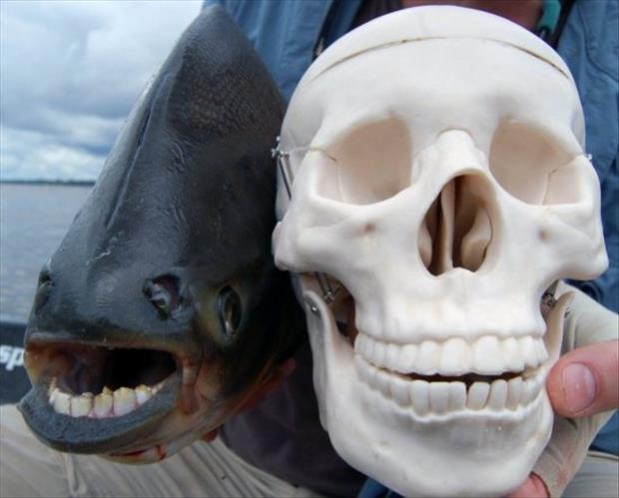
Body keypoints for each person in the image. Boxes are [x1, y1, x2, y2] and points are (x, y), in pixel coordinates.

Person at [1, 1, 616, 497]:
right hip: (242, 456)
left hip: (540, 451)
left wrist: (591, 388)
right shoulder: (260, 7)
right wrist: (225, 368)